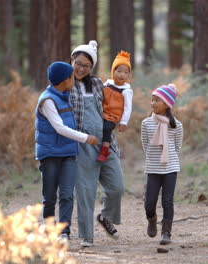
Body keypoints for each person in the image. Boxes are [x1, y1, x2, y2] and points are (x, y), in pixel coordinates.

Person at [35, 62, 99, 242]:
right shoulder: (47, 100)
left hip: (68, 153)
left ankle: (64, 232)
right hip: (50, 155)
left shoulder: (66, 95)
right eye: (72, 76)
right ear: (64, 80)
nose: (74, 79)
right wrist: (86, 138)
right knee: (49, 196)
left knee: (67, 195)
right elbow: (59, 128)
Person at [69, 41, 125, 247]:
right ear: (72, 61)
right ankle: (86, 236)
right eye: (78, 63)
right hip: (82, 145)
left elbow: (112, 107)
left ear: (91, 68)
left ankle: (105, 216)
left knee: (117, 187)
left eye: (86, 65)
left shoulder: (99, 84)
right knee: (85, 191)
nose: (81, 68)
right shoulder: (65, 84)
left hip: (106, 142)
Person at [141, 84, 183, 245]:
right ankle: (152, 219)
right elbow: (145, 144)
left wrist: (169, 159)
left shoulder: (176, 125)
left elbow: (177, 146)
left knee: (167, 201)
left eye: (156, 100)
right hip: (153, 168)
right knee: (149, 203)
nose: (152, 103)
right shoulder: (146, 123)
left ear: (167, 104)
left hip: (170, 168)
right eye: (152, 100)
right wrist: (153, 159)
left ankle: (166, 233)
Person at [96, 51, 133, 162]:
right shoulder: (107, 84)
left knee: (106, 128)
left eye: (126, 72)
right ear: (113, 71)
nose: (122, 75)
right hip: (102, 112)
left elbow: (128, 108)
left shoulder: (126, 91)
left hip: (113, 116)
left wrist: (123, 122)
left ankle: (104, 150)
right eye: (119, 71)